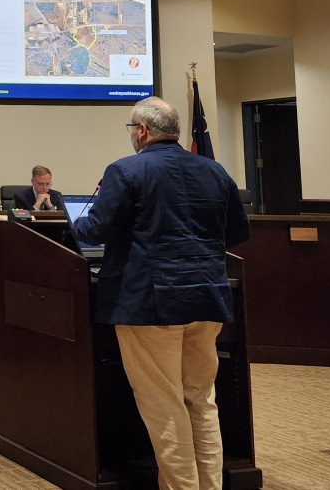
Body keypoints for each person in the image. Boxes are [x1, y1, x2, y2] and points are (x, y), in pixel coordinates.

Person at [73, 97, 250, 490]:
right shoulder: (215, 170)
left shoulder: (125, 170)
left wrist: (79, 223)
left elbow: (96, 230)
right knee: (201, 401)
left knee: (164, 406)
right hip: (208, 298)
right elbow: (238, 233)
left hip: (149, 303)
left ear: (141, 131)